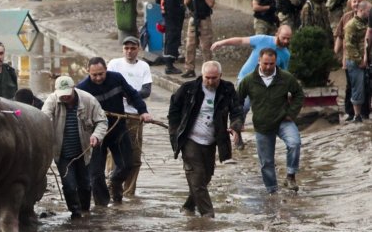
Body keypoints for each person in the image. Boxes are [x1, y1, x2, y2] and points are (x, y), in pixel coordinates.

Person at [167, 61, 243, 218]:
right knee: (197, 176)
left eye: (214, 78)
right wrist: (174, 133)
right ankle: (208, 215)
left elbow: (237, 111)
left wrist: (235, 126)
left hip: (211, 141)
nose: (210, 81)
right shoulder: (188, 89)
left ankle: (188, 206)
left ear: (220, 76)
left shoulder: (227, 89)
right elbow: (174, 110)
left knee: (206, 177)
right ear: (202, 76)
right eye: (207, 78)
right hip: (190, 139)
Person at [75, 57, 152, 206]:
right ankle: (102, 207)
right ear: (88, 72)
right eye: (94, 75)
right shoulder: (82, 89)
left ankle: (115, 183)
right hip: (96, 135)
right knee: (96, 175)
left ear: (106, 70)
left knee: (127, 164)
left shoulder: (116, 78)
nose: (98, 78)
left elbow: (133, 94)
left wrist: (143, 111)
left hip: (118, 129)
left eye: (101, 74)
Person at [237, 49, 305, 194]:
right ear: (259, 61)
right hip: (262, 125)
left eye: (272, 64)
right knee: (266, 162)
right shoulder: (248, 80)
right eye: (265, 63)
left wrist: (291, 113)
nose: (268, 67)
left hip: (283, 120)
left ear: (276, 62)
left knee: (295, 143)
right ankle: (272, 192)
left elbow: (299, 94)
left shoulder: (286, 78)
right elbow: (238, 101)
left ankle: (290, 175)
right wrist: (237, 121)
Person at [43, 76, 107, 218]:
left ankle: (85, 211)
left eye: (68, 93)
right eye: (62, 94)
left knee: (85, 184)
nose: (65, 97)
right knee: (69, 185)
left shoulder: (88, 100)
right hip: (63, 154)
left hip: (84, 151)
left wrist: (96, 136)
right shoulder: (52, 101)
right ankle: (75, 213)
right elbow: (44, 120)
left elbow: (102, 121)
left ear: (73, 89)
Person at [106, 35, 152, 197]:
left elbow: (146, 91)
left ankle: (129, 191)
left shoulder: (144, 67)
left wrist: (130, 95)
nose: (129, 51)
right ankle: (112, 187)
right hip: (116, 114)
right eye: (126, 48)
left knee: (134, 154)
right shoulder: (114, 64)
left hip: (135, 116)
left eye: (133, 48)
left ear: (138, 49)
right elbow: (108, 84)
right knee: (114, 152)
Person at [210, 25, 293, 81]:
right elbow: (241, 40)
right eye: (283, 38)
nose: (285, 41)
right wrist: (221, 43)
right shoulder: (262, 39)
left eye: (288, 39)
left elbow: (283, 74)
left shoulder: (286, 55)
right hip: (244, 79)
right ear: (277, 34)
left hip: (263, 86)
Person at [334, 0, 367, 121]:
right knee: (351, 85)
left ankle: (364, 112)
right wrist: (336, 52)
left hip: (365, 57)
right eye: (354, 1)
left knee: (364, 85)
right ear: (350, 3)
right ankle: (351, 113)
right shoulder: (346, 18)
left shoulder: (367, 16)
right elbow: (340, 36)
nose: (356, 4)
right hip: (350, 58)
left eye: (359, 1)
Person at [182, 0, 215, 78]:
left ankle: (208, 70)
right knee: (190, 45)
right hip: (193, 19)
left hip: (204, 19)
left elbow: (210, 3)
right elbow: (186, 1)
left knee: (206, 46)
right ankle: (189, 69)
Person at [342, 1, 370, 123]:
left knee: (366, 87)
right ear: (362, 10)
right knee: (357, 88)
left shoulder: (366, 24)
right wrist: (359, 60)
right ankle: (356, 115)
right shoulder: (351, 25)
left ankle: (365, 113)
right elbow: (349, 45)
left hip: (365, 60)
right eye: (369, 11)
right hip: (355, 61)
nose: (370, 13)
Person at [160, 0, 189, 74]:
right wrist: (182, 11)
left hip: (169, 21)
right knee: (172, 41)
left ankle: (170, 63)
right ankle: (169, 65)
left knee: (170, 41)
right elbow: (172, 8)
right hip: (172, 21)